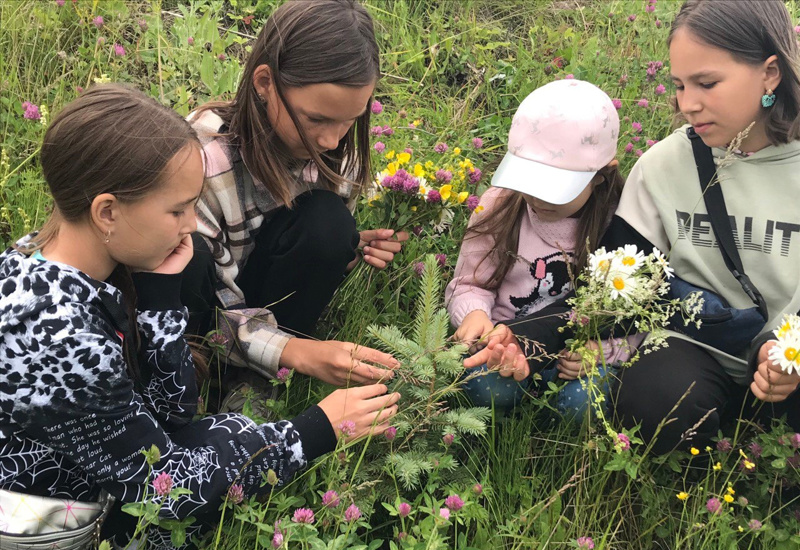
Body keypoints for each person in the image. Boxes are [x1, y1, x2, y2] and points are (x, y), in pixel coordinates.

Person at [0, 85, 399, 550]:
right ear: (107, 212)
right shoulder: (58, 335)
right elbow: (165, 489)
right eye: (178, 210)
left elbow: (172, 411)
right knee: (220, 456)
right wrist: (314, 430)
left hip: (72, 482)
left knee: (219, 435)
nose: (192, 224)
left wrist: (163, 292)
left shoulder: (43, 261)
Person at [467, 0, 800, 453]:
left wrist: (779, 352)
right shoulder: (664, 166)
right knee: (650, 400)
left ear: (770, 73)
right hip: (698, 344)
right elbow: (613, 295)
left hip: (788, 350)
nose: (688, 104)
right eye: (680, 85)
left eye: (707, 82)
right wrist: (521, 338)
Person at [182, 0, 409, 398]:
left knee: (330, 224)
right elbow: (203, 298)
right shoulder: (198, 163)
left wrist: (342, 251)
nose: (331, 140)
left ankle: (254, 386)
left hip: (264, 317)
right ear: (265, 82)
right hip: (198, 317)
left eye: (349, 121)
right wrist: (299, 351)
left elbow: (303, 250)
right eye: (316, 119)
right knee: (190, 257)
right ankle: (200, 381)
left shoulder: (339, 156)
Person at [446, 79, 642, 418]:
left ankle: (553, 412)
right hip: (505, 345)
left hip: (577, 358)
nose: (537, 198)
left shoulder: (623, 224)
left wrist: (603, 351)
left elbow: (638, 315)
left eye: (555, 187)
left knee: (582, 405)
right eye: (528, 181)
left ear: (601, 175)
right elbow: (470, 283)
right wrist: (475, 315)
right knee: (482, 385)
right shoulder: (500, 207)